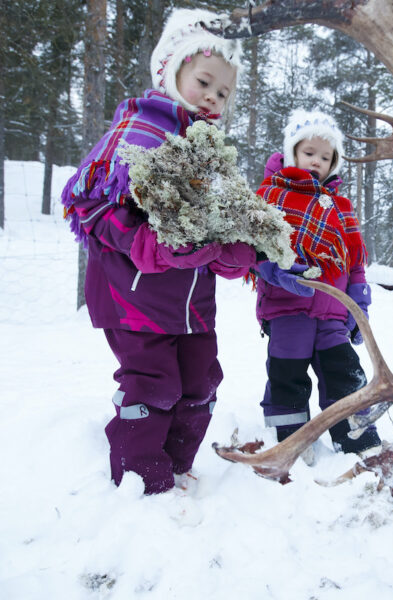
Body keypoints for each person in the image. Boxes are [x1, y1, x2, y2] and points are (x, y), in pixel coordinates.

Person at [60, 8, 259, 495]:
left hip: (192, 304)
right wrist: (142, 241)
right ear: (171, 70)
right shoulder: (137, 132)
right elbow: (88, 207)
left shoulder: (211, 157)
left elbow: (219, 229)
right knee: (154, 386)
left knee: (200, 381)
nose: (212, 98)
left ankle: (176, 468)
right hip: (134, 300)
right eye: (204, 82)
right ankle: (140, 483)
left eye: (223, 93)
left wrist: (233, 252)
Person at [253, 109, 381, 459]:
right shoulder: (270, 197)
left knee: (343, 371)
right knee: (287, 372)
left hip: (333, 312)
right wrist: (274, 270)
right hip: (287, 307)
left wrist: (359, 303)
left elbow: (354, 261)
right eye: (309, 153)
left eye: (326, 157)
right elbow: (254, 249)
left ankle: (356, 438)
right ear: (292, 152)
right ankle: (292, 438)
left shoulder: (340, 207)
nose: (317, 162)